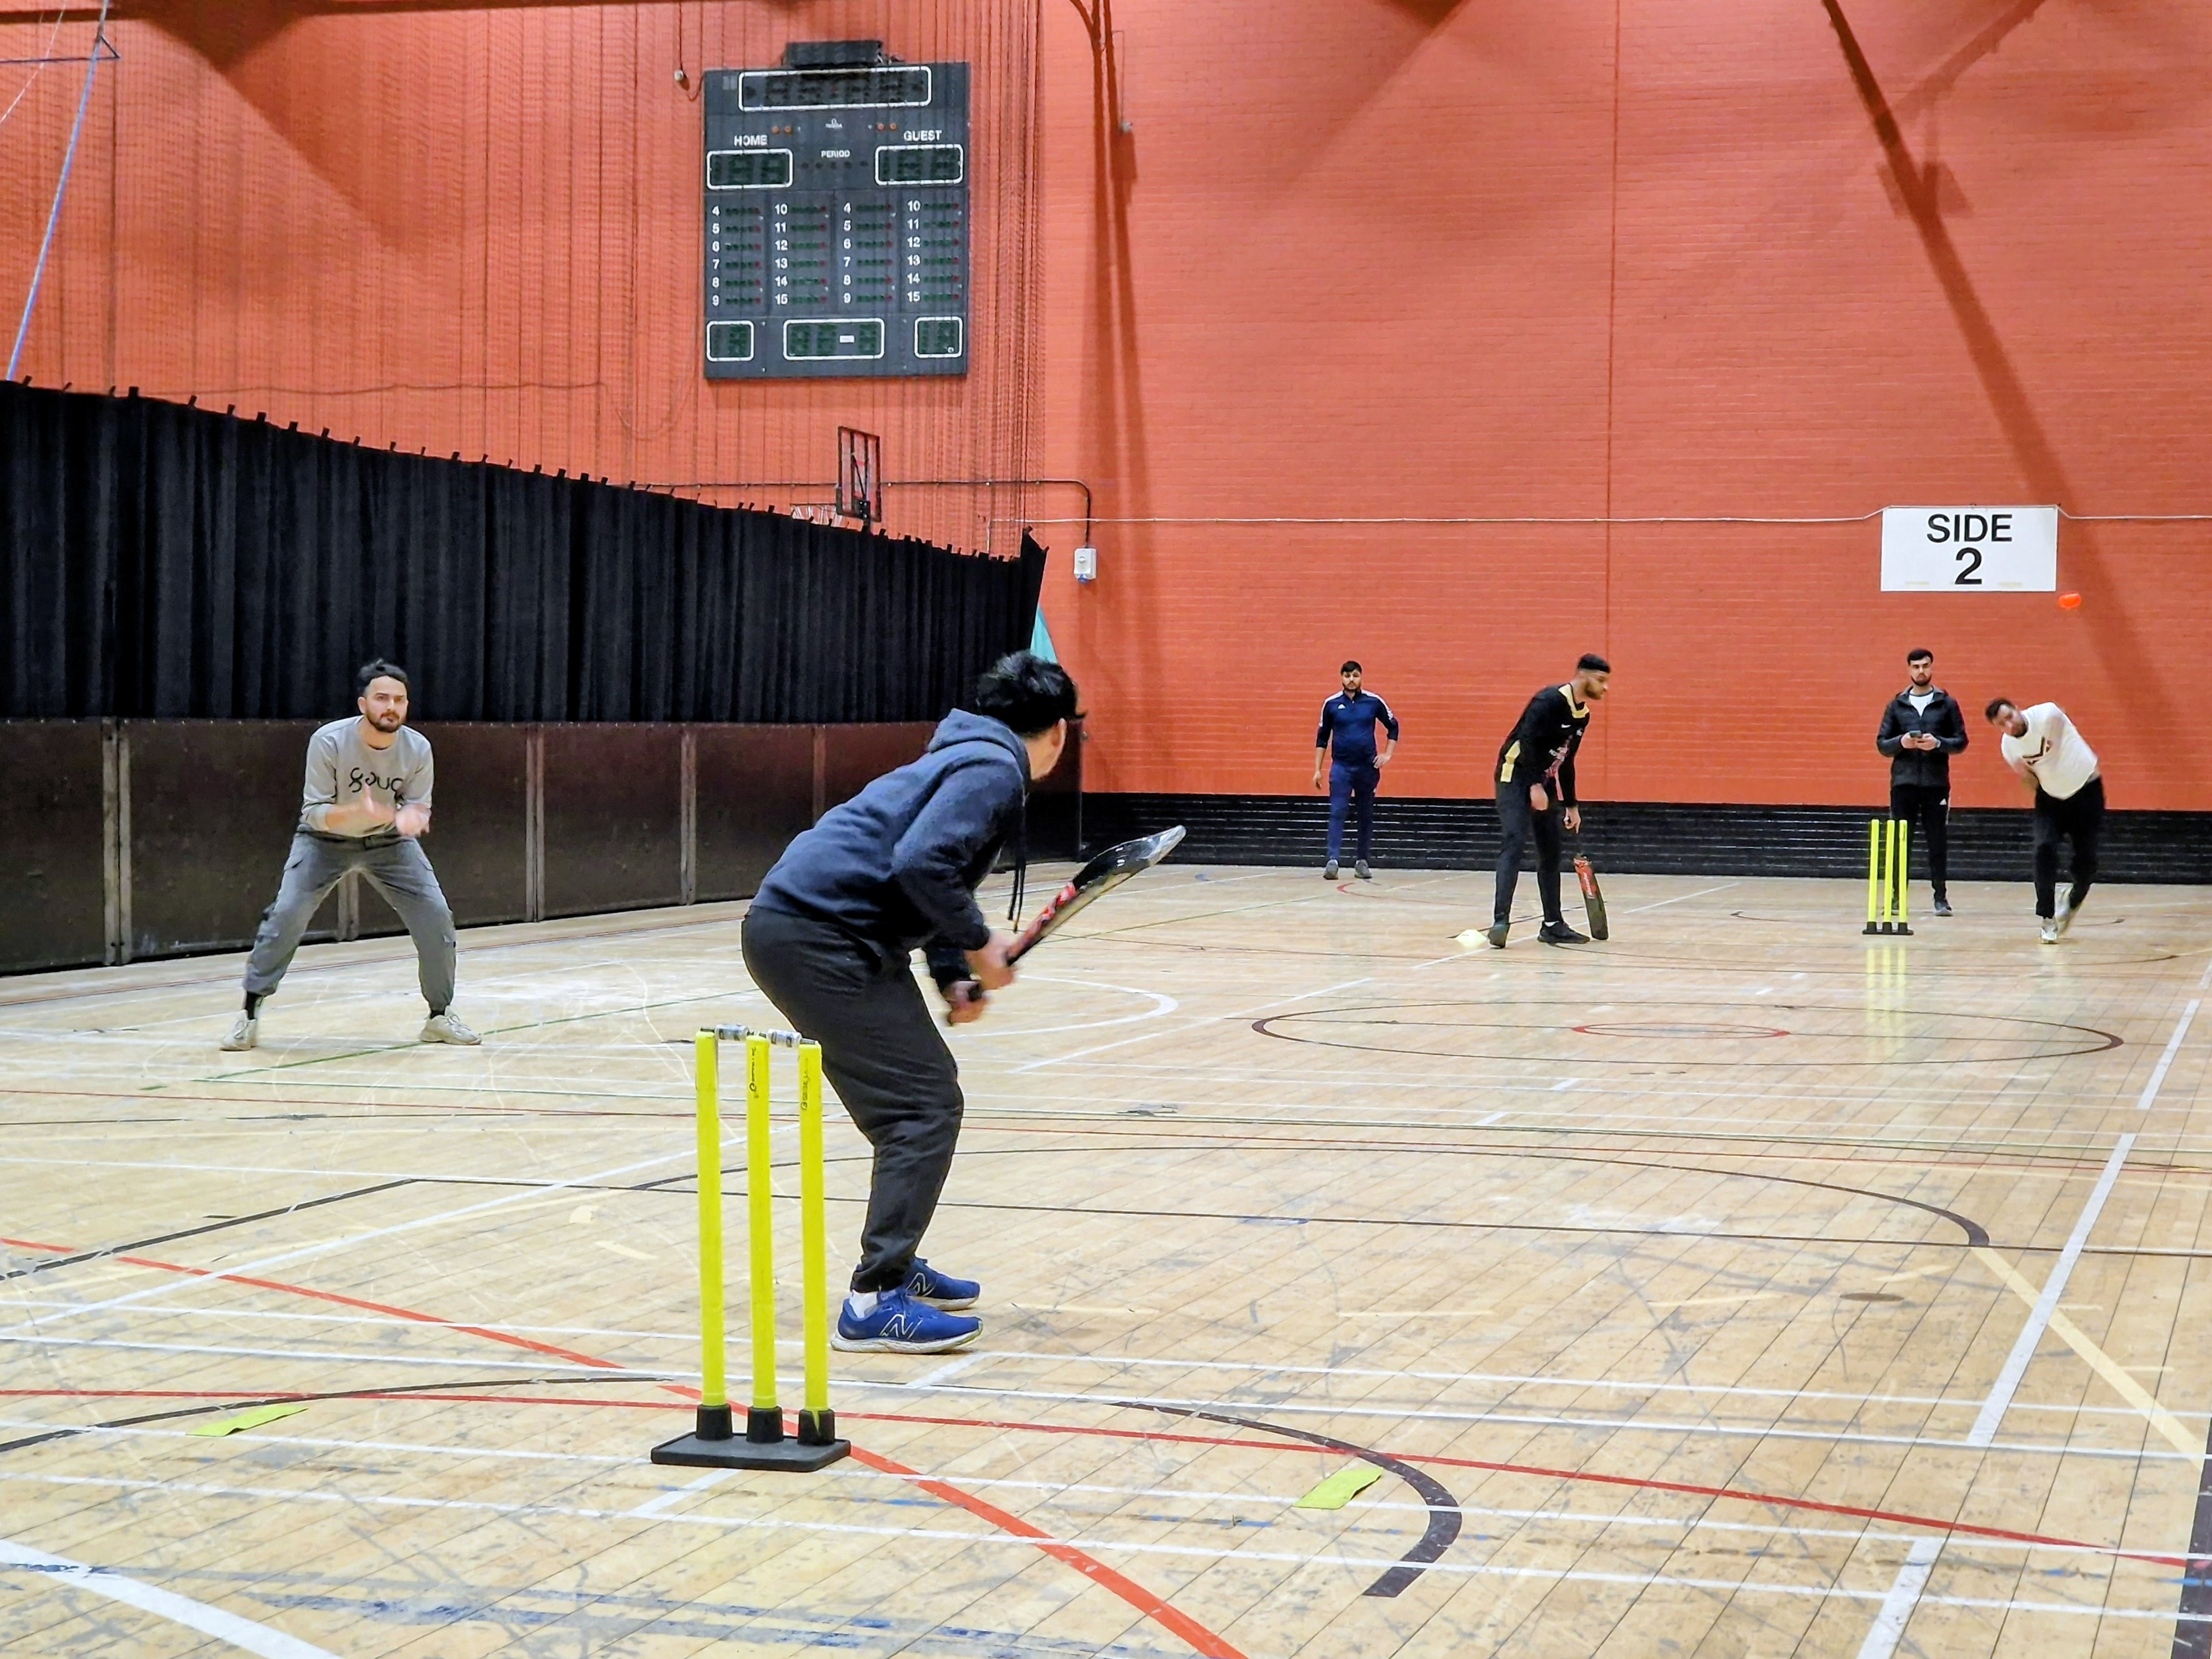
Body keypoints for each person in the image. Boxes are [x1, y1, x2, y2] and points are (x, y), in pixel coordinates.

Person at [741, 650, 1078, 1355]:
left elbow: (926, 877)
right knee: (922, 1107)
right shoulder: (993, 769)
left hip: (818, 930)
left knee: (910, 1109)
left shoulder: (967, 755)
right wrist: (984, 942)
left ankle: (897, 1260)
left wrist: (955, 972)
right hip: (819, 935)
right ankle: (874, 1300)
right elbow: (922, 863)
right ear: (1058, 731)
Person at [223, 661, 476, 1050]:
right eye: (381, 698)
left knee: (436, 916)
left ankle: (439, 1016)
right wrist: (355, 813)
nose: (391, 706)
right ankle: (250, 1012)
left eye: (399, 700)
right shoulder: (329, 741)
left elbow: (417, 809)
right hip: (324, 840)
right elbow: (314, 811)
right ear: (363, 704)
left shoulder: (418, 748)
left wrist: (408, 819)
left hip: (389, 843)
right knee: (288, 913)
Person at [1488, 654, 1610, 948]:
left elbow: (1567, 760)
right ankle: (1500, 921)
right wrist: (1533, 786)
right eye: (1601, 681)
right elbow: (1527, 741)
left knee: (1551, 851)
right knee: (1515, 841)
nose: (1606, 688)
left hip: (1544, 780)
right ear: (1584, 676)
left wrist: (1571, 804)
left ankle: (1552, 924)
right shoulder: (1548, 701)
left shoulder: (1583, 715)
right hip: (1515, 775)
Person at [1986, 697, 2103, 944]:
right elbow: (2029, 778)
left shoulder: (2046, 714)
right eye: (2002, 724)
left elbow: (2060, 715)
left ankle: (2073, 899)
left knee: (2087, 862)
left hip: (2087, 790)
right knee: (2043, 849)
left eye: (2010, 716)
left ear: (2018, 709)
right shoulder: (2009, 747)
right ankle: (2047, 917)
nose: (2009, 725)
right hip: (2051, 800)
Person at [1875, 648, 1968, 916]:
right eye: (1916, 667)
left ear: (1932, 667)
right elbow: (1882, 744)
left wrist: (1938, 744)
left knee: (1937, 842)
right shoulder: (1896, 705)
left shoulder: (1947, 704)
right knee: (1900, 842)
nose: (1921, 671)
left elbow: (1961, 741)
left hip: (1936, 784)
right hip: (1903, 785)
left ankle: (1941, 898)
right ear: (1908, 669)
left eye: (1925, 666)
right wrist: (1901, 743)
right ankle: (1896, 898)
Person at [1311, 660, 1400, 880]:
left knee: (1365, 815)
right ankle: (1332, 861)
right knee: (1337, 811)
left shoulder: (1373, 702)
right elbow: (1322, 738)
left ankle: (1362, 862)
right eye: (1347, 675)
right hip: (1341, 768)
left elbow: (1393, 726)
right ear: (1341, 678)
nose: (1352, 680)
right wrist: (1318, 770)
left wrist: (1387, 755)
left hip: (1367, 768)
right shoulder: (1331, 704)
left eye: (1356, 676)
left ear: (1361, 678)